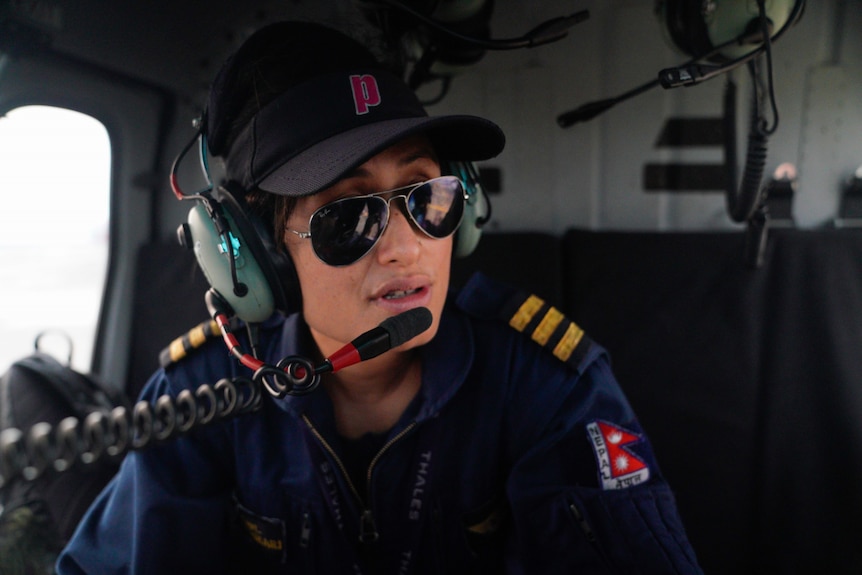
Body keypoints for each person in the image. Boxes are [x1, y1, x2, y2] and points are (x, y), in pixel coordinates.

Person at [57, 20, 703, 574]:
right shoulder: (202, 398)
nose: (405, 248)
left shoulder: (546, 385)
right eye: (348, 217)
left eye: (428, 197)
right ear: (262, 257)